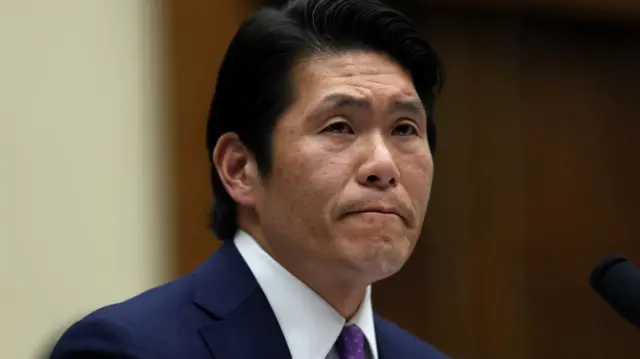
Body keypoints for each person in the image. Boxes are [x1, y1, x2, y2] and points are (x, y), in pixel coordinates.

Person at [49, 0, 448, 358]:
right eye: (340, 127)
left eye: (404, 130)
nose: (383, 165)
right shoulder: (126, 350)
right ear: (240, 168)